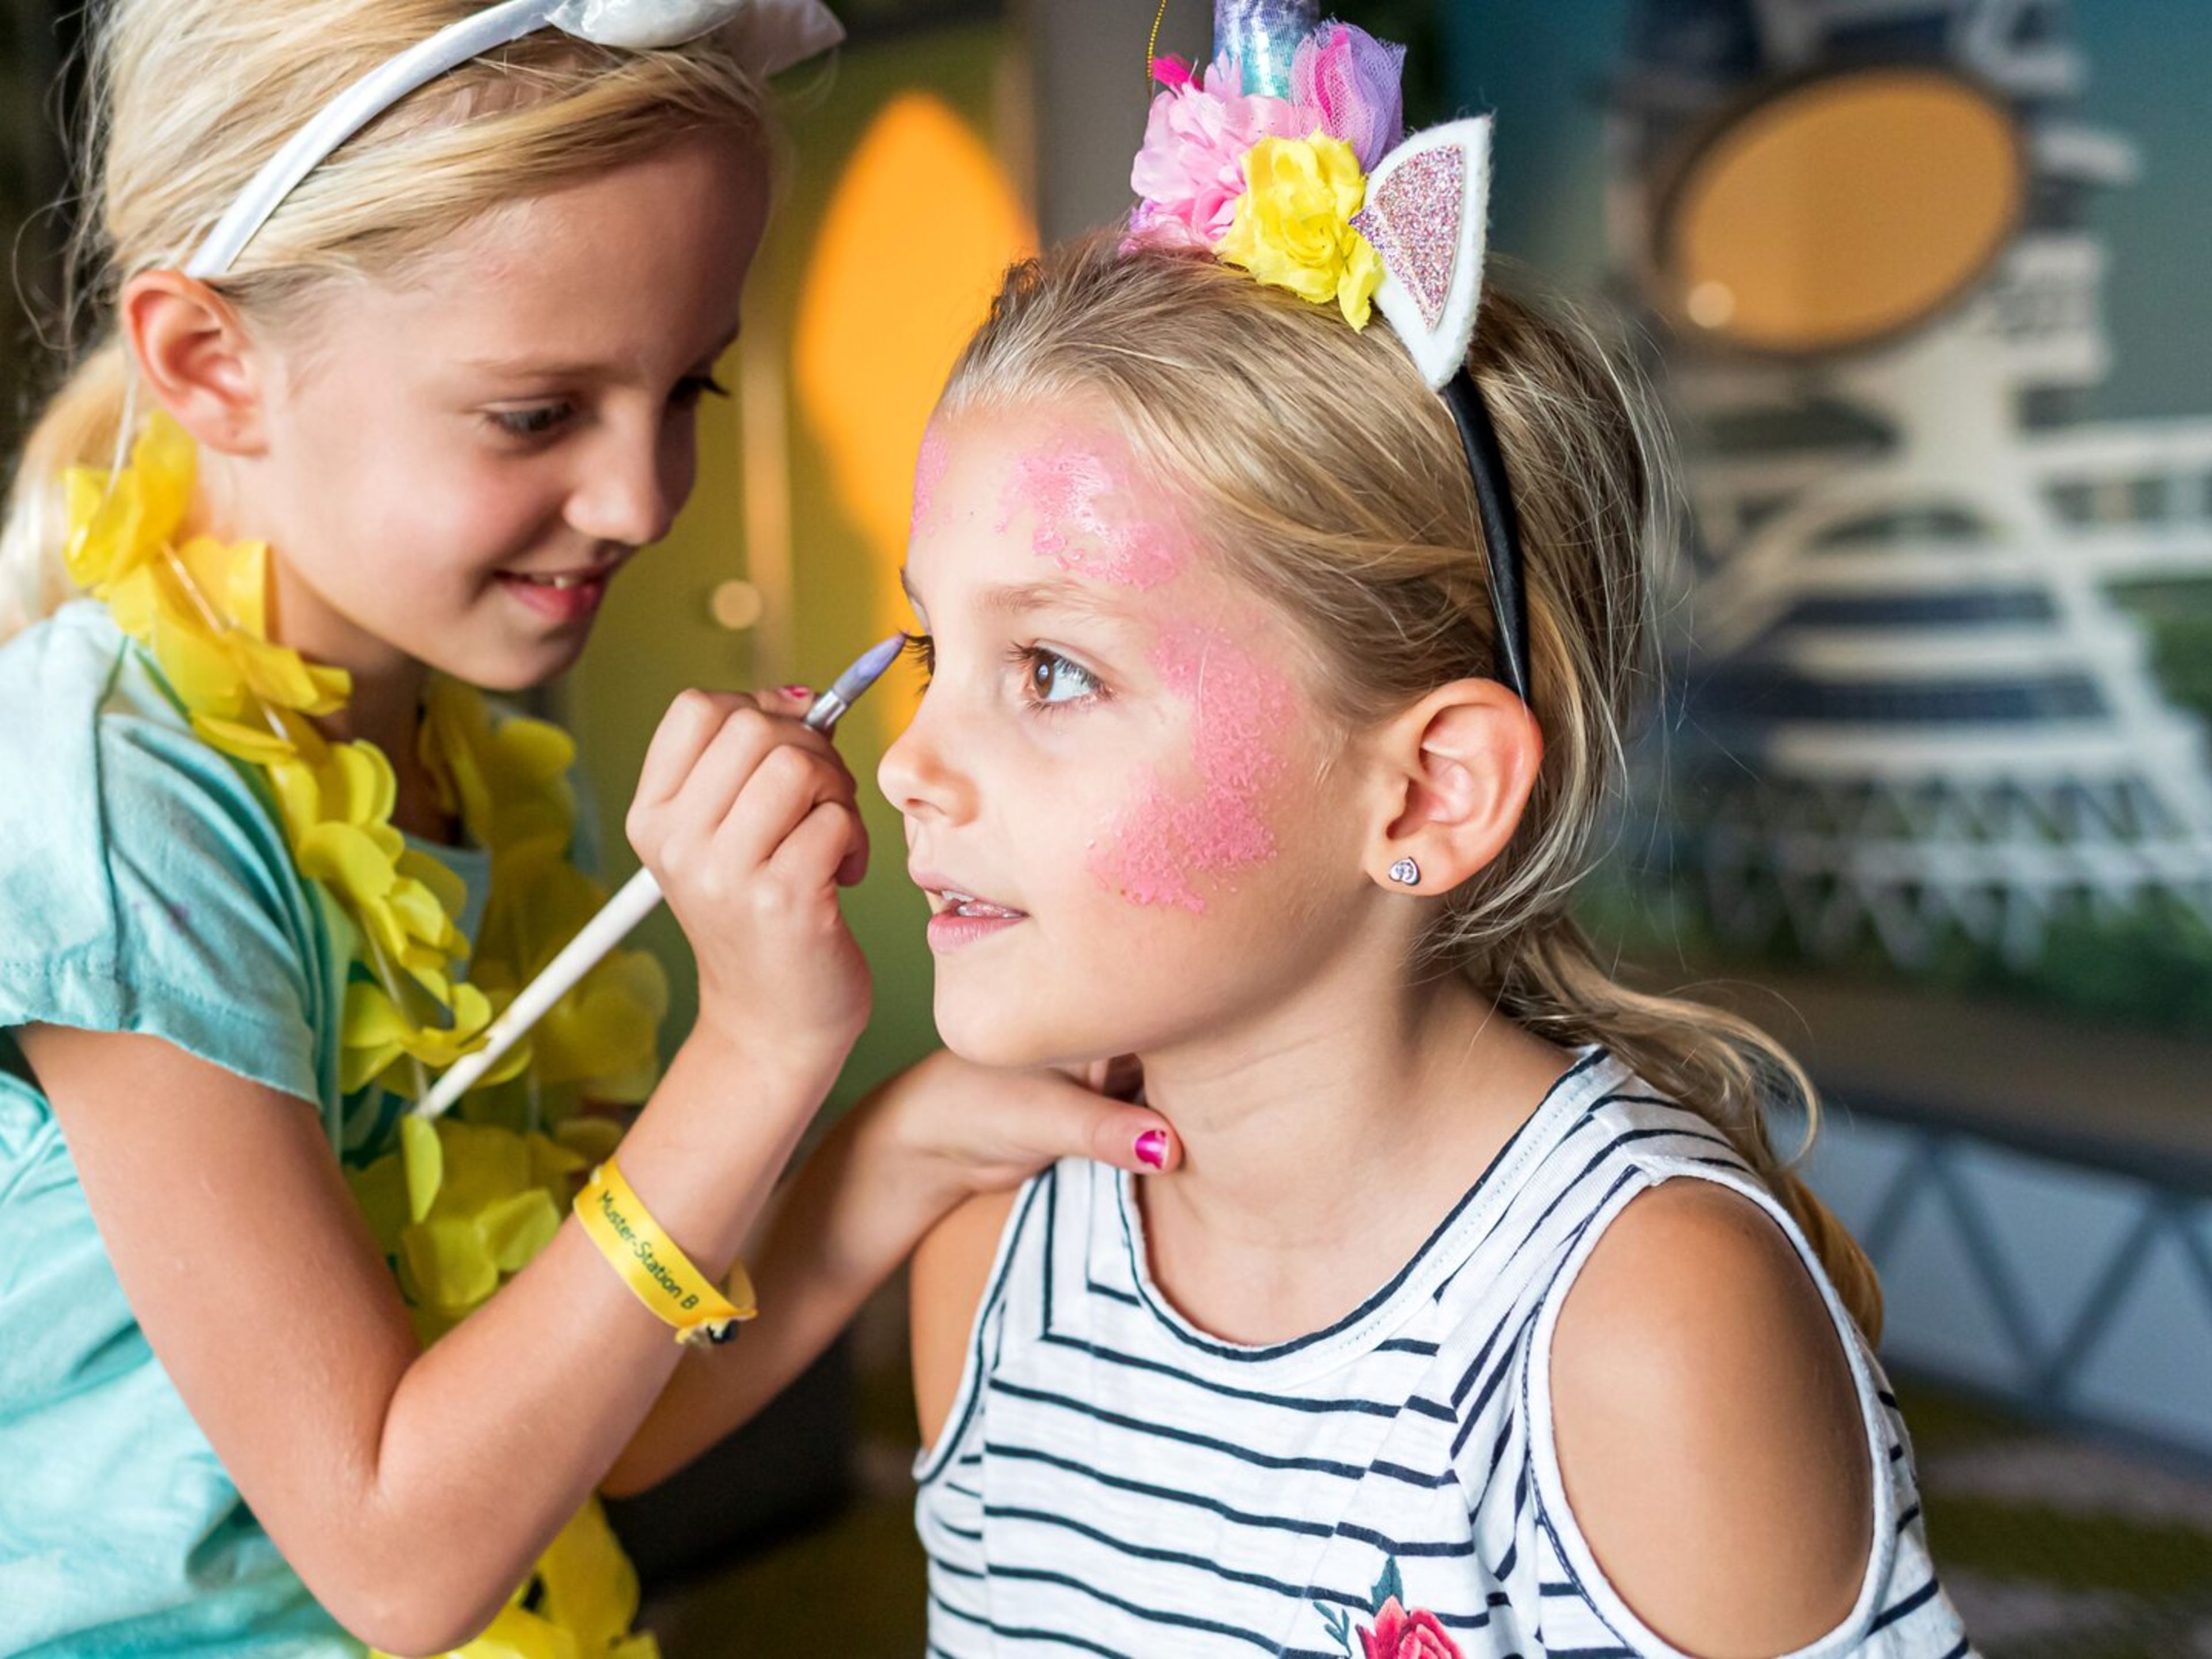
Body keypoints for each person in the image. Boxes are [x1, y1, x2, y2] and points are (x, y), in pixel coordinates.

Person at [0, 2, 1175, 1653]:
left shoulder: (451, 755)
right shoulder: (119, 804)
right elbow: (402, 1556)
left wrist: (903, 1144)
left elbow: (588, 1431)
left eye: (684, 383)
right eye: (537, 415)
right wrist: (757, 1049)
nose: (642, 497)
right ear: (212, 364)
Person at [891, 13, 1973, 1657]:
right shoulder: (988, 1278)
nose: (910, 764)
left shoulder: (1636, 1327)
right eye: (928, 654)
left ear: (1425, 792)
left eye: (1049, 668)